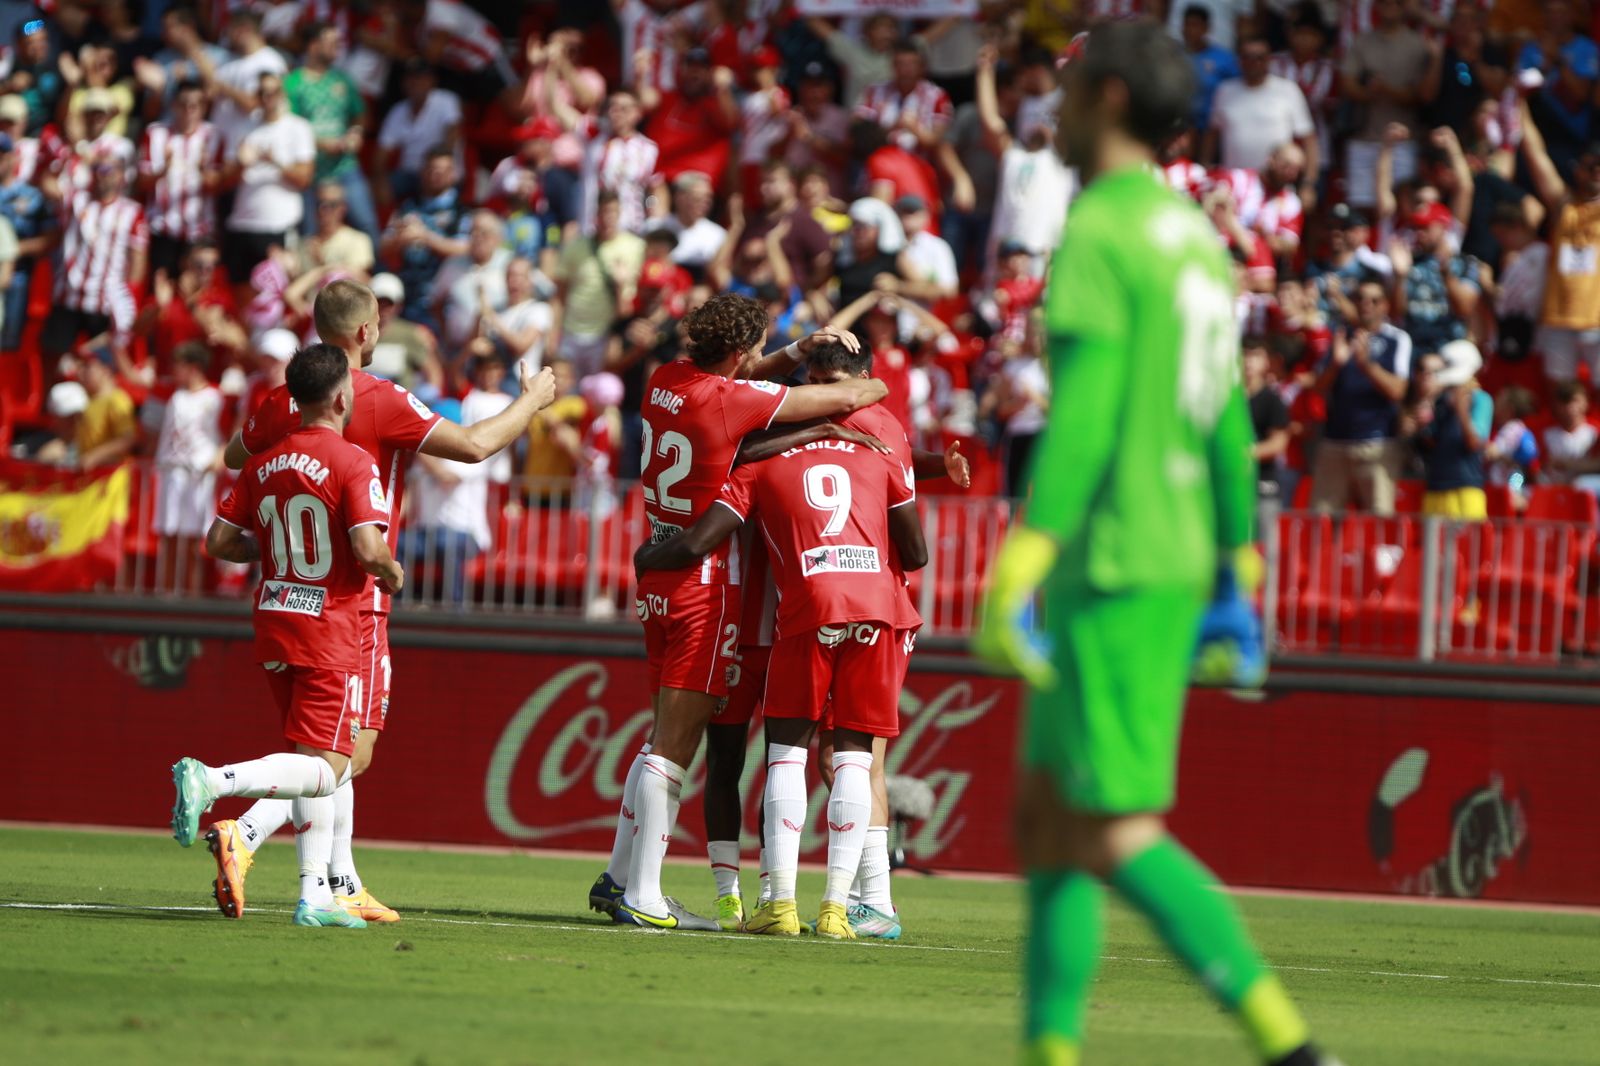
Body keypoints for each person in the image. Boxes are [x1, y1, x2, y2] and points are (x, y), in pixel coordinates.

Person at [972, 22, 1333, 1066]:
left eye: (1073, 87)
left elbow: (1079, 416)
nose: (1057, 109)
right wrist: (1238, 564)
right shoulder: (1194, 237)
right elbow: (1224, 418)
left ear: (1111, 98)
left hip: (1114, 558)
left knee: (1110, 829)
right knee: (1045, 822)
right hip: (1167, 550)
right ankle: (1049, 1050)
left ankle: (1294, 1050)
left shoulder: (1104, 228)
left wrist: (1022, 560)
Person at [205, 280, 558, 926]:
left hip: (287, 593)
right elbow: (477, 446)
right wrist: (531, 400)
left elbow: (238, 454)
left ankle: (339, 881)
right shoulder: (377, 398)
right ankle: (247, 833)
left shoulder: (281, 400)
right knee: (344, 752)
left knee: (326, 746)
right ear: (367, 332)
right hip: (354, 599)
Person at [590, 296, 890, 930]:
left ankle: (618, 877)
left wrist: (798, 351)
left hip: (659, 576)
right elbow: (841, 400)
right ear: (739, 354)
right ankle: (644, 894)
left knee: (659, 735)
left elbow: (742, 381)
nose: (761, 360)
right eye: (756, 350)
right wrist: (872, 379)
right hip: (705, 582)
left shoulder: (666, 378)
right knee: (675, 744)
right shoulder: (730, 401)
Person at [632, 377, 928, 940]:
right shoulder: (878, 443)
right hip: (860, 611)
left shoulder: (761, 462)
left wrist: (649, 555)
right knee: (844, 760)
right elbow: (917, 542)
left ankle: (787, 900)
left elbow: (700, 533)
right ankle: (824, 907)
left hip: (784, 620)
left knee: (781, 756)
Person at [175, 342, 404, 930]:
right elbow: (366, 546)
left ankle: (315, 896)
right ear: (341, 397)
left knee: (306, 757)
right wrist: (390, 569)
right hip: (330, 627)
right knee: (329, 767)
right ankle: (215, 782)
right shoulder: (355, 462)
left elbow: (220, 543)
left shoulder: (261, 463)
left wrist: (276, 551)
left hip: (275, 615)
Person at [1516, 94, 1600, 386]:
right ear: (1578, 170)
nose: (1597, 172)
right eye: (1591, 166)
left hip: (1598, 319)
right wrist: (1519, 107)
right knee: (1558, 390)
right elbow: (1535, 155)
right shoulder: (1564, 206)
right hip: (1558, 317)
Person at [1311, 280, 1413, 515]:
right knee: (1321, 518)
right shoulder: (1340, 335)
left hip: (1378, 443)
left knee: (1378, 517)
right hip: (1335, 442)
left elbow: (1398, 390)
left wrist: (1367, 365)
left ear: (1385, 306)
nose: (1366, 305)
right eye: (1360, 298)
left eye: (1374, 300)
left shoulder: (1396, 339)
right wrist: (1336, 365)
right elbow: (1318, 387)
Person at [41, 151, 147, 363]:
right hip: (68, 296)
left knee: (98, 366)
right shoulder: (76, 199)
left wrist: (129, 301)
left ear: (121, 175)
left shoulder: (132, 212)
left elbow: (138, 261)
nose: (102, 175)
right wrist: (68, 156)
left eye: (108, 169)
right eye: (97, 169)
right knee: (52, 360)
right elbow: (46, 183)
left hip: (104, 302)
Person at [222, 72, 315, 286]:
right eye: (262, 92)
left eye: (273, 91)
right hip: (242, 224)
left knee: (278, 291)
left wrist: (275, 161)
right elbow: (224, 181)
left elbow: (305, 178)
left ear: (282, 93)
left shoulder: (298, 127)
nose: (267, 97)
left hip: (279, 226)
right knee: (241, 292)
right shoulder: (242, 128)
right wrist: (239, 164)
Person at [1340, 0, 1435, 209]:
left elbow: (1420, 95)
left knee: (1402, 207)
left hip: (1404, 140)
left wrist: (1387, 89)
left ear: (1404, 8)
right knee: (1361, 209)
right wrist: (1367, 92)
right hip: (1365, 136)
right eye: (1384, 3)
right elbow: (1347, 84)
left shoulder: (1416, 44)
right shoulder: (1362, 41)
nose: (1390, 7)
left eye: (1395, 3)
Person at [286, 20, 375, 242]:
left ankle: (378, 274)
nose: (338, 46)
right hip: (310, 170)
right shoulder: (293, 83)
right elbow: (289, 127)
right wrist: (322, 144)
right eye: (332, 41)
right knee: (310, 231)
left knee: (366, 223)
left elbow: (360, 114)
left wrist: (355, 132)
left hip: (345, 166)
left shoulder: (342, 79)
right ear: (314, 45)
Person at [154, 342, 225, 596]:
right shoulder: (175, 396)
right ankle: (167, 591)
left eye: (179, 366)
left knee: (195, 539)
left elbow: (225, 433)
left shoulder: (215, 397)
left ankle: (191, 595)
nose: (174, 370)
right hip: (173, 471)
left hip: (199, 473)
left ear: (194, 368)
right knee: (170, 534)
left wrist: (218, 457)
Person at [138, 79, 223, 279]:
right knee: (161, 288)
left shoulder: (213, 136)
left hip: (200, 232)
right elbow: (141, 183)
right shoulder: (156, 133)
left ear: (204, 107)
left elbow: (218, 186)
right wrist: (162, 171)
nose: (189, 110)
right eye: (184, 103)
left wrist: (203, 171)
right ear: (173, 104)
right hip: (162, 227)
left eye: (196, 104)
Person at [1205, 35, 1318, 177]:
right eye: (1247, 57)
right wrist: (1206, 168)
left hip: (1276, 183)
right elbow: (1212, 135)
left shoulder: (1288, 90)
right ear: (1240, 60)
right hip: (1234, 181)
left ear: (1269, 60)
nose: (1253, 63)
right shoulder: (1224, 90)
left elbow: (1309, 140)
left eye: (1259, 57)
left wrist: (1309, 183)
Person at [1414, 340, 1493, 519]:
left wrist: (1461, 411)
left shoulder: (1481, 400)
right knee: (1432, 547)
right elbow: (1431, 443)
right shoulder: (1441, 400)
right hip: (1436, 487)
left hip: (1467, 490)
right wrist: (1423, 422)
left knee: (1468, 547)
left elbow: (1475, 443)